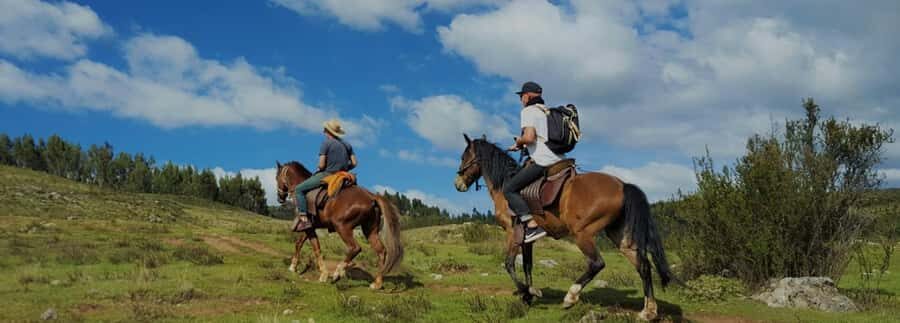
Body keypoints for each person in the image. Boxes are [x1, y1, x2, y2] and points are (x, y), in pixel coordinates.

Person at [505, 81, 564, 243]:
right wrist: (520, 146)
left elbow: (530, 137)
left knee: (509, 189)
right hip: (560, 159)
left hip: (543, 161)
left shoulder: (529, 111)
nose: (521, 101)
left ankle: (531, 225)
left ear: (527, 96)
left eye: (521, 97)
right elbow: (541, 138)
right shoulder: (547, 111)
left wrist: (519, 141)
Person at [293, 119, 357, 231]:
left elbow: (322, 165)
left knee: (299, 189)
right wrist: (345, 168)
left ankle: (304, 219)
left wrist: (321, 168)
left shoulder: (326, 143)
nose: (323, 132)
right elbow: (355, 163)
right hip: (344, 175)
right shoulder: (347, 145)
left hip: (328, 174)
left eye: (325, 130)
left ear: (329, 131)